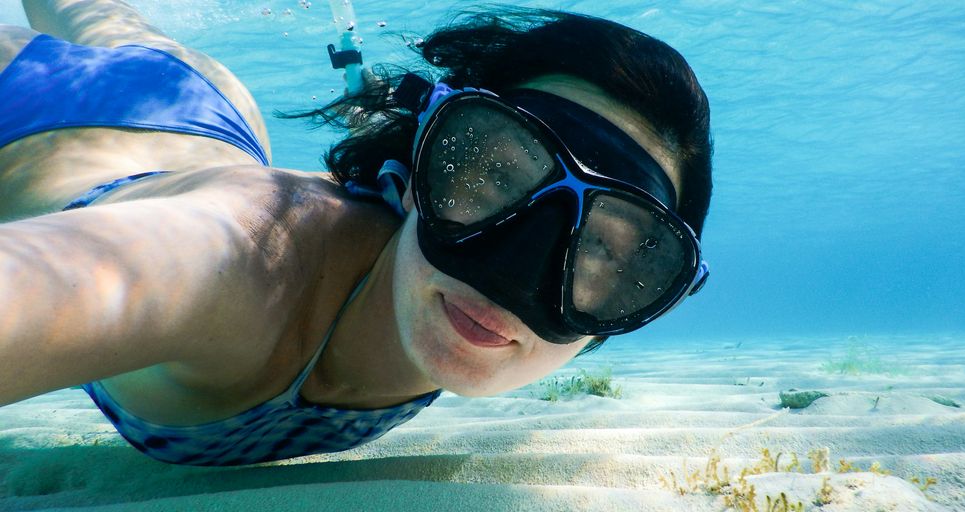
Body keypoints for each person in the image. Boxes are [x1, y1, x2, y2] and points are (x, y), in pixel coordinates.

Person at [0, 1, 712, 466]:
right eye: (498, 175)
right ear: (421, 169)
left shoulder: (423, 277)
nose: (511, 278)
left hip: (210, 108)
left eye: (603, 248)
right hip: (35, 113)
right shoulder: (249, 256)